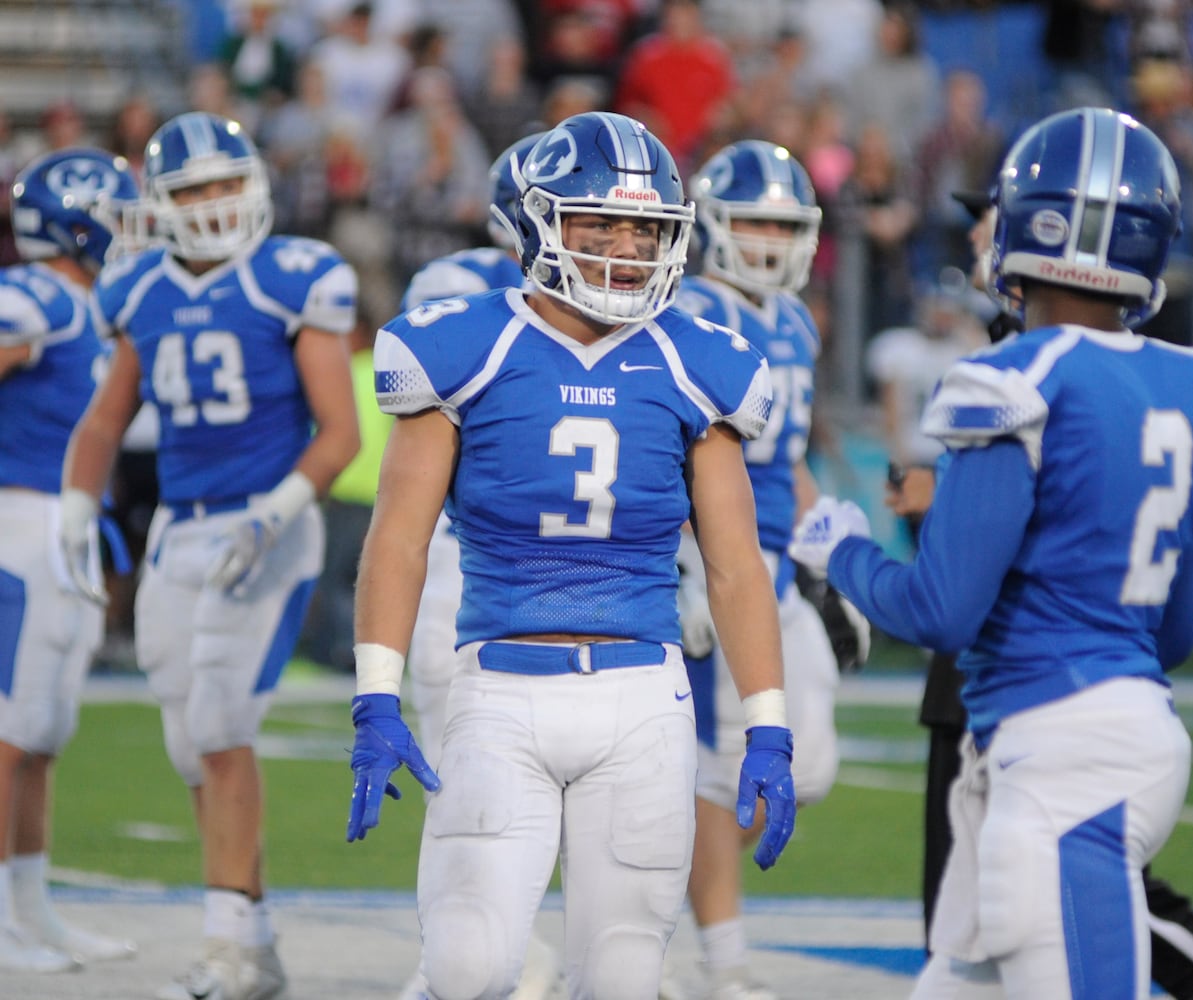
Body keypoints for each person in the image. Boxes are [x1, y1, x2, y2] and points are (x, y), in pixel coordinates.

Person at [789, 107, 1193, 1000]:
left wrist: (841, 549)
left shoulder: (1013, 378)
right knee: (952, 983)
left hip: (1062, 757)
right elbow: (1180, 626)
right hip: (1103, 733)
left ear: (1028, 224)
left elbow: (940, 611)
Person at [345, 111, 797, 1000]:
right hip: (498, 685)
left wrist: (768, 723)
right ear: (544, 221)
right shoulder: (465, 344)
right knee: (468, 966)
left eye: (644, 229)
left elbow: (736, 564)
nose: (625, 247)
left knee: (625, 976)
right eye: (600, 223)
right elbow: (396, 538)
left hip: (642, 694)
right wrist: (374, 697)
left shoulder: (697, 361)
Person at [60, 111, 360, 1000]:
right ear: (164, 205)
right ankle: (251, 940)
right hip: (181, 532)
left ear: (256, 182)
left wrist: (276, 509)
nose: (218, 202)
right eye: (197, 190)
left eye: (229, 182)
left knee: (224, 727)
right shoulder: (139, 290)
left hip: (271, 520)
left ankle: (229, 949)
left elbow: (339, 432)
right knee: (193, 742)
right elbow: (109, 415)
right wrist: (79, 502)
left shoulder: (291, 278)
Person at [661, 139, 861, 1000]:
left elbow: (791, 462)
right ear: (713, 224)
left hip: (781, 566)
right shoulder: (685, 311)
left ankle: (655, 891)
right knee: (714, 773)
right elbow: (663, 453)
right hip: (716, 563)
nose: (771, 240)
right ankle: (725, 965)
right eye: (753, 222)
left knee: (806, 766)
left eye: (785, 223)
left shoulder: (797, 321)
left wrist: (833, 555)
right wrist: (681, 564)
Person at [392, 131, 562, 1000]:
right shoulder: (457, 292)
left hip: (564, 571)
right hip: (467, 565)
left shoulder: (603, 305)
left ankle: (541, 955)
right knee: (466, 787)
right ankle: (455, 966)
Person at [0, 148, 140, 973]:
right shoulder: (34, 293)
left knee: (44, 728)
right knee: (8, 726)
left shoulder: (87, 302)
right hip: (20, 521)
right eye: (118, 217)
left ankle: (32, 906)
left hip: (66, 526)